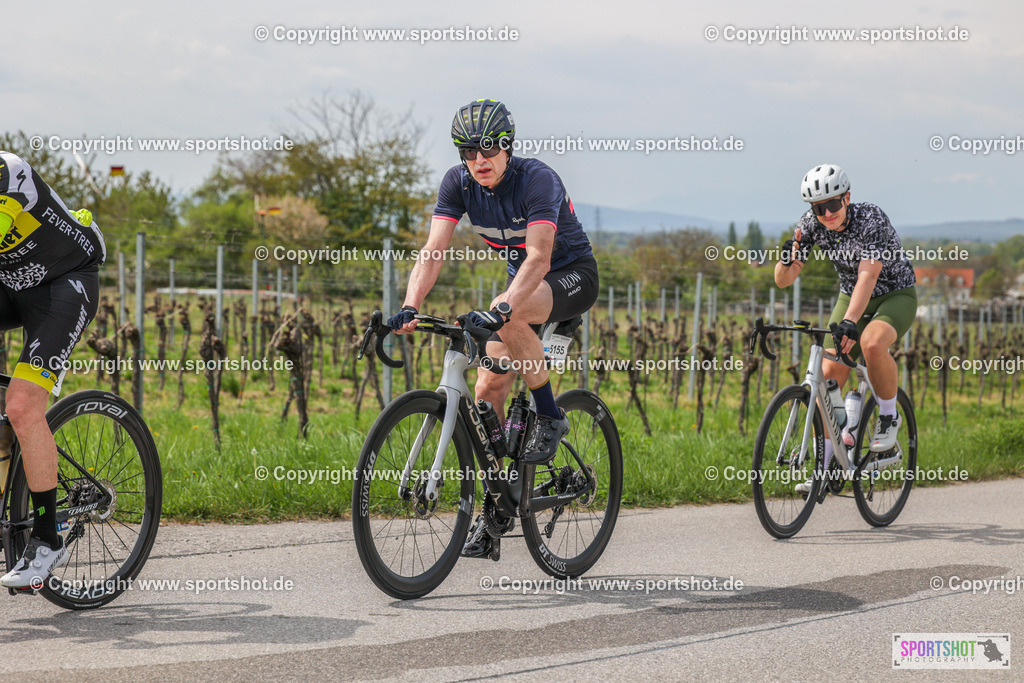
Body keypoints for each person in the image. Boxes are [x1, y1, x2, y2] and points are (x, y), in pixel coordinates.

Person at [387, 99, 599, 559]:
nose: (477, 160)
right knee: (487, 386)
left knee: (513, 313)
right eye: (467, 151)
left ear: (507, 146)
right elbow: (433, 250)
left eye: (487, 149)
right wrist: (409, 305)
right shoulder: (458, 183)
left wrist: (501, 307)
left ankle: (550, 415)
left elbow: (539, 258)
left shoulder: (537, 179)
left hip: (569, 275)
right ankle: (496, 511)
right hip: (522, 284)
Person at [774, 164, 916, 492]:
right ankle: (827, 465)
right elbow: (783, 282)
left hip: (893, 293)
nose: (826, 214)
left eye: (832, 205)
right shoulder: (810, 225)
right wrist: (786, 261)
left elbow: (868, 274)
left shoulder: (871, 220)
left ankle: (887, 415)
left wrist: (851, 322)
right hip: (850, 295)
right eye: (818, 208)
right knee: (827, 374)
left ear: (847, 198)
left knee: (872, 344)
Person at [0, 151, 105, 588]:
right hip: (10, 282)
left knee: (23, 406)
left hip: (65, 282)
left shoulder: (9, 172)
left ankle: (46, 538)